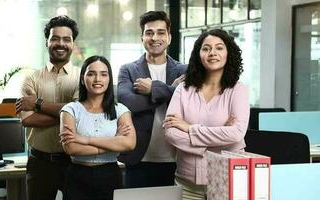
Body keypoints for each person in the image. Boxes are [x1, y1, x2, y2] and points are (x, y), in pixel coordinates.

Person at [163, 29, 250, 199]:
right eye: (206, 48)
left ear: (228, 53)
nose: (212, 53)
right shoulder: (183, 88)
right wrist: (219, 141)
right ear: (198, 54)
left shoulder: (238, 90)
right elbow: (171, 133)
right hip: (187, 183)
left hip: (227, 179)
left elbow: (237, 132)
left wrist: (189, 128)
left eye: (219, 48)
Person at [117, 10, 186, 188]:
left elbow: (188, 104)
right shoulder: (128, 70)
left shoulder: (184, 71)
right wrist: (171, 90)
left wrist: (152, 88)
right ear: (142, 38)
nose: (155, 37)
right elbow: (128, 102)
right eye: (149, 33)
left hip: (175, 158)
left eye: (161, 32)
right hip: (138, 158)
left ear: (169, 37)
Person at [15, 15, 80, 200]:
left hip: (75, 162)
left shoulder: (83, 77)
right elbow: (28, 120)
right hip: (40, 163)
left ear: (73, 44)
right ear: (47, 42)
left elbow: (82, 115)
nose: (61, 43)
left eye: (67, 39)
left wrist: (38, 104)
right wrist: (70, 114)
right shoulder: (31, 79)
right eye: (55, 38)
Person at [59, 55, 136, 200]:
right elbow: (71, 148)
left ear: (109, 79)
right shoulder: (70, 109)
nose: (97, 79)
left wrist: (84, 139)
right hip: (77, 176)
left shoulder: (121, 110)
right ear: (83, 79)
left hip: (110, 175)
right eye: (91, 74)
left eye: (103, 74)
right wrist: (114, 143)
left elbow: (130, 143)